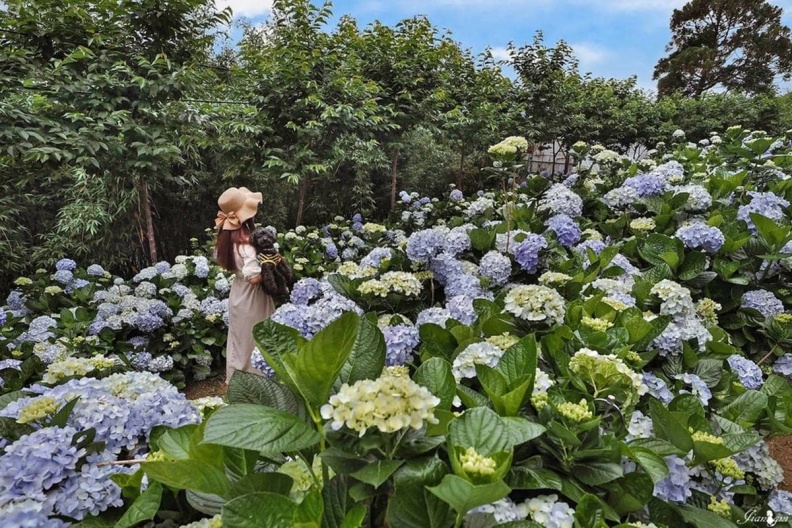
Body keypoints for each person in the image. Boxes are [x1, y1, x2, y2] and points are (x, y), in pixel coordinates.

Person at [213, 186, 274, 383]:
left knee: (239, 340)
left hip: (238, 293)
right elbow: (254, 278)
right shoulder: (248, 245)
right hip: (253, 297)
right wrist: (271, 266)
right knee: (255, 340)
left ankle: (237, 381)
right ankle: (256, 383)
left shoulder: (226, 241)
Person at [248, 227, 294, 304]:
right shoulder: (261, 255)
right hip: (265, 283)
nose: (265, 239)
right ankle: (276, 291)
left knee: (282, 270)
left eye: (268, 237)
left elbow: (282, 265)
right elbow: (266, 273)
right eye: (260, 237)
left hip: (274, 263)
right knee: (268, 273)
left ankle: (286, 288)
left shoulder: (274, 253)